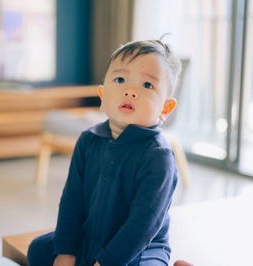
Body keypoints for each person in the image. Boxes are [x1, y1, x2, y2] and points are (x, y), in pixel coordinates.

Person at [28, 38, 182, 266]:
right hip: (92, 235)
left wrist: (105, 262)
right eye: (120, 80)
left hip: (140, 249)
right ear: (102, 95)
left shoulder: (158, 156)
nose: (130, 91)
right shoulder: (87, 141)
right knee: (38, 250)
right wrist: (66, 253)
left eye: (147, 85)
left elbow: (143, 225)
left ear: (165, 109)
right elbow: (72, 201)